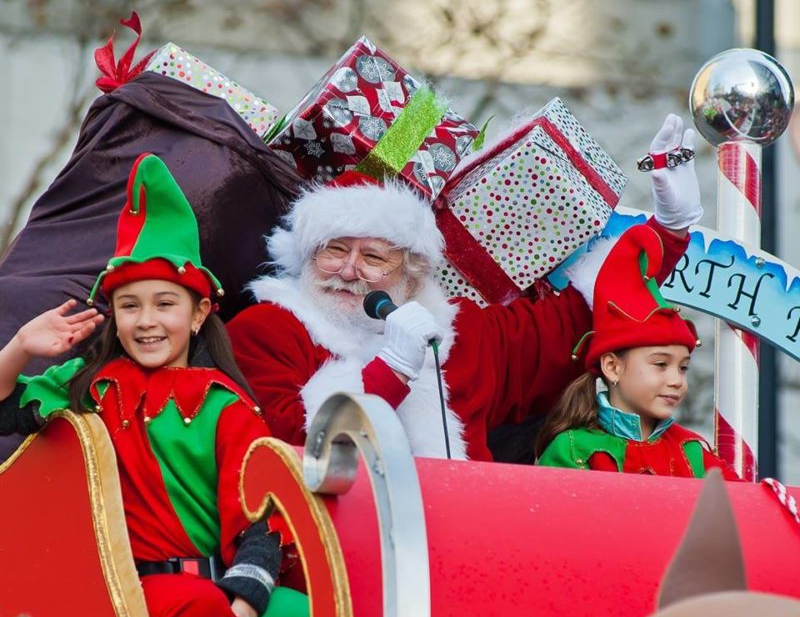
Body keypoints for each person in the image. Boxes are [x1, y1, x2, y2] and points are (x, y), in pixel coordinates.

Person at [0, 153, 309, 617]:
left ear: (198, 313)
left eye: (165, 303)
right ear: (111, 315)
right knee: (197, 613)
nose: (146, 321)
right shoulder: (84, 386)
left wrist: (244, 603)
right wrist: (17, 350)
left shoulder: (230, 409)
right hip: (112, 585)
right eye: (130, 305)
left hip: (221, 583)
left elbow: (261, 519)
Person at [227, 115, 702, 461]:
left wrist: (669, 230)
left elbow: (583, 315)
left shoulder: (463, 335)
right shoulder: (268, 328)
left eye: (373, 257)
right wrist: (389, 370)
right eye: (334, 250)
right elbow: (285, 446)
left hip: (466, 550)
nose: (349, 270)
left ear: (410, 276)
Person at [536, 223, 739, 480]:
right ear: (612, 367)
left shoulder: (694, 453)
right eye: (660, 364)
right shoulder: (571, 450)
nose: (676, 380)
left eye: (683, 367)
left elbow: (747, 512)